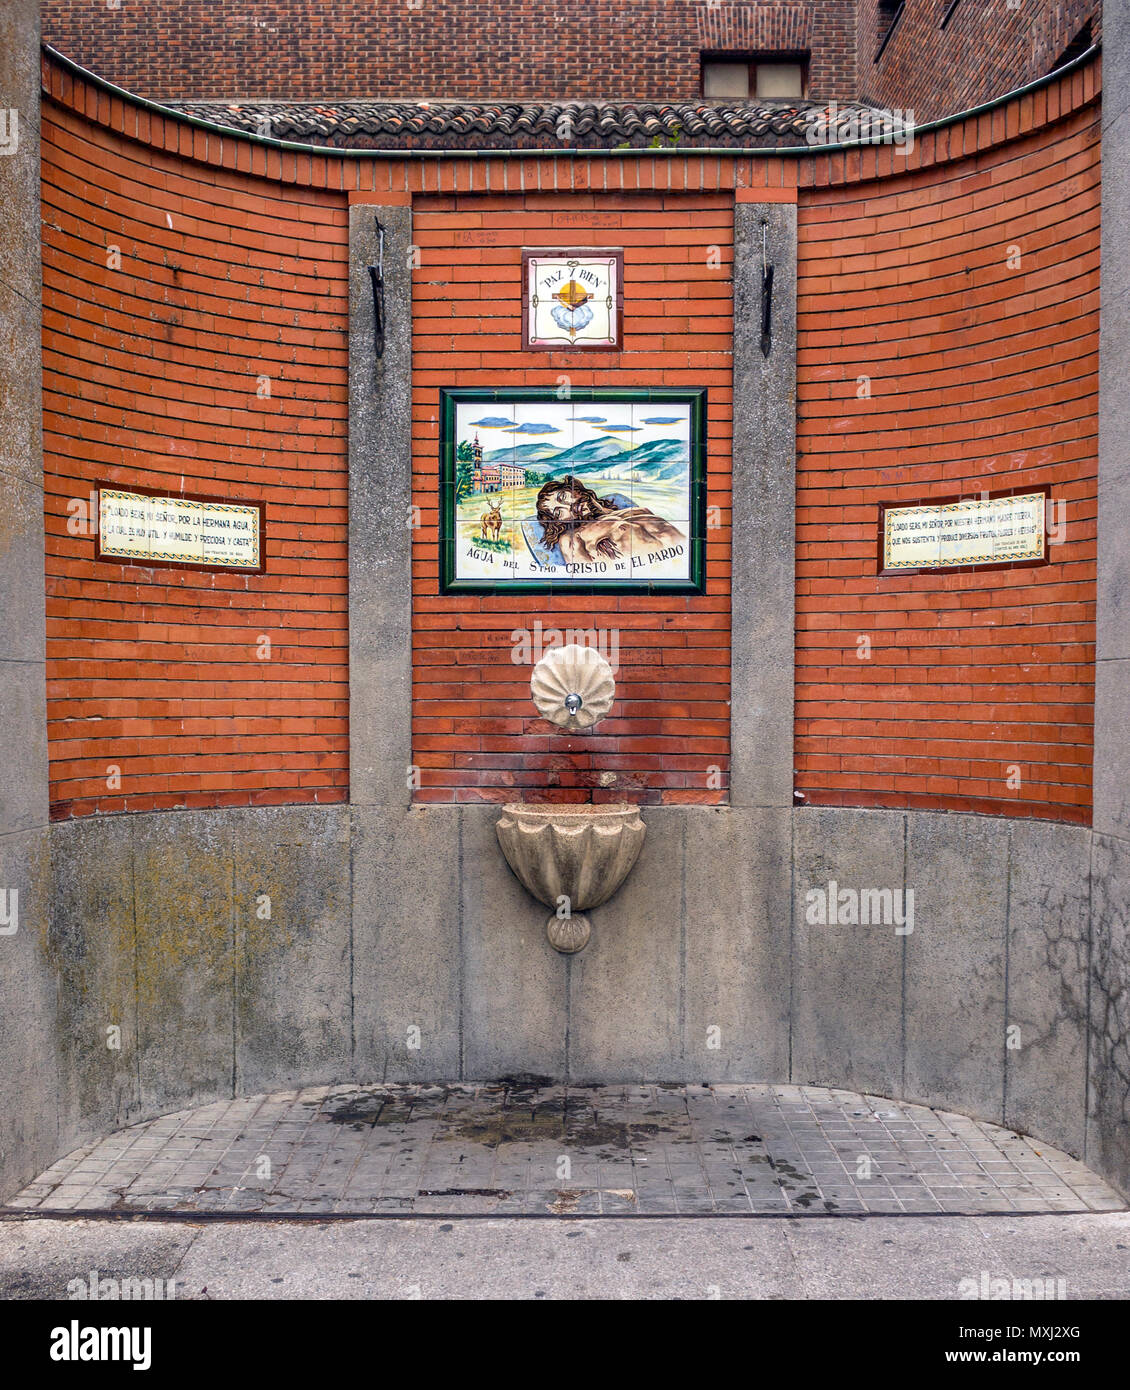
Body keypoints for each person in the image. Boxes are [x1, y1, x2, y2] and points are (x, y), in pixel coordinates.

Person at [533, 475, 685, 565]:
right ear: (561, 522)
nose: (569, 506)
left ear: (573, 489)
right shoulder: (572, 538)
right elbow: (585, 582)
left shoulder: (632, 512)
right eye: (559, 513)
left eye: (563, 497)